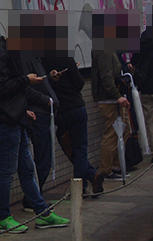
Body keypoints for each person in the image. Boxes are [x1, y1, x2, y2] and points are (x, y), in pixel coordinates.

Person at [0, 36, 70, 233]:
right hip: (4, 121)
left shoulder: (11, 54)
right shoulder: (0, 54)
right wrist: (26, 80)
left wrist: (33, 102)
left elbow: (18, 89)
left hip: (15, 118)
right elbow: (1, 88)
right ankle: (2, 217)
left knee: (28, 169)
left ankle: (42, 213)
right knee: (8, 171)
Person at [42, 56, 105, 194]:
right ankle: (85, 183)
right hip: (76, 107)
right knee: (80, 149)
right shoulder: (66, 59)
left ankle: (89, 177)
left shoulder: (42, 61)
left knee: (69, 148)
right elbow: (79, 84)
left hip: (59, 112)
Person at [21, 56, 60, 211]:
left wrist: (49, 77)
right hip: (38, 112)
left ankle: (35, 197)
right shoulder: (24, 57)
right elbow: (25, 86)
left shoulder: (34, 56)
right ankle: (33, 199)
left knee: (43, 159)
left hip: (43, 111)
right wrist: (46, 100)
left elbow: (36, 82)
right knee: (42, 159)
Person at [91, 51, 131, 180]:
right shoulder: (104, 51)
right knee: (112, 133)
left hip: (112, 97)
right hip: (109, 98)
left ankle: (115, 164)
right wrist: (117, 96)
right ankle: (106, 169)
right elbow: (106, 77)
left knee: (124, 129)